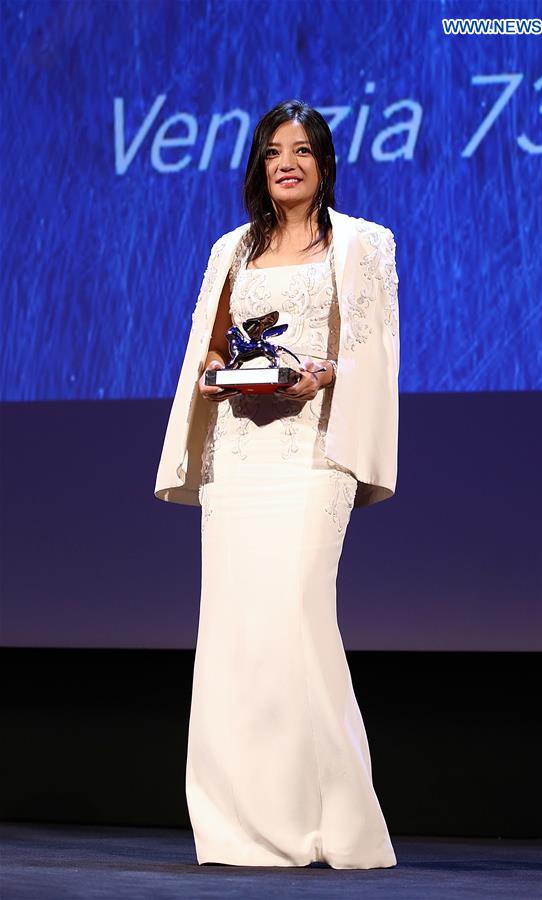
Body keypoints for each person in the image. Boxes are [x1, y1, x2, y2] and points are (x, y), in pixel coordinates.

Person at [155, 99, 400, 869]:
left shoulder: (363, 244)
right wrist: (219, 378)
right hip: (240, 456)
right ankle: (237, 825)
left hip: (311, 452)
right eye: (272, 152)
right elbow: (208, 348)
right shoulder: (231, 248)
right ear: (259, 167)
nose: (286, 162)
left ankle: (336, 823)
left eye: (301, 149)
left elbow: (376, 352)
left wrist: (327, 373)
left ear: (324, 162)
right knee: (234, 633)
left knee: (298, 618)